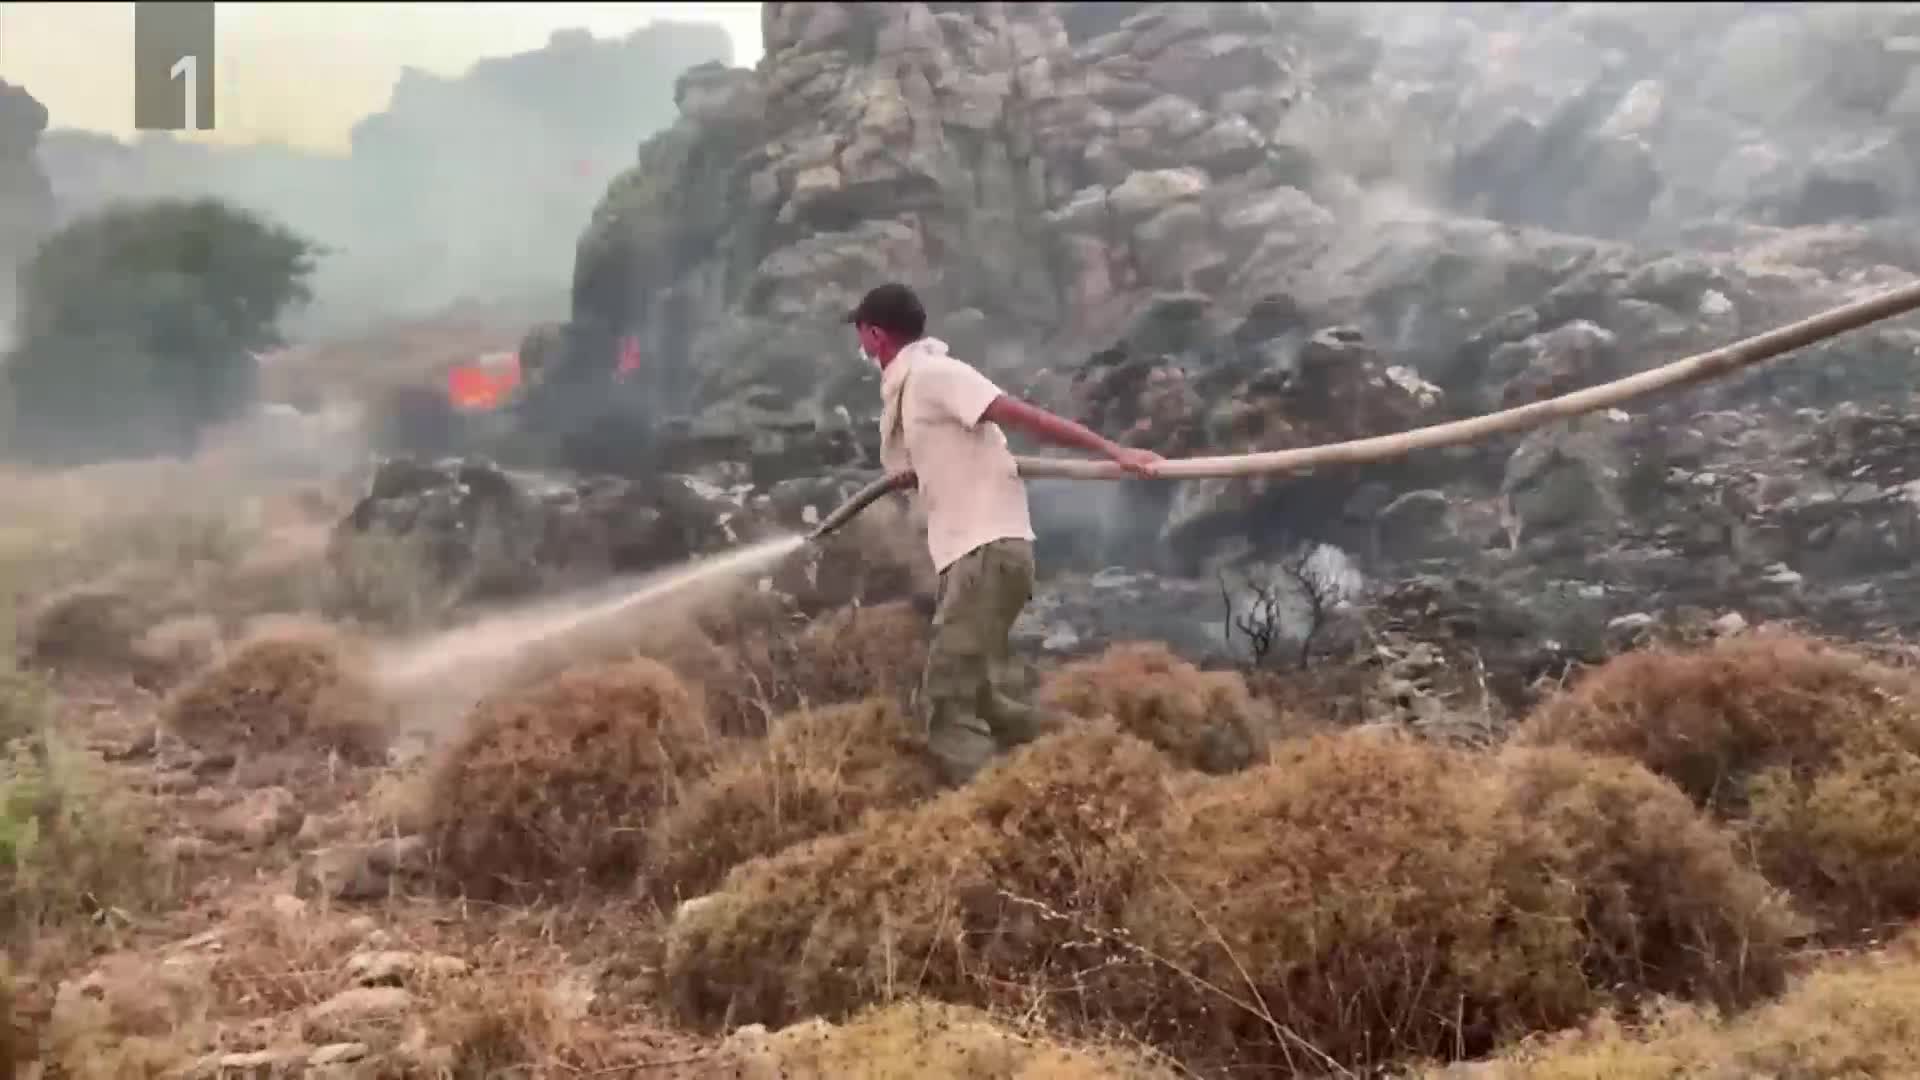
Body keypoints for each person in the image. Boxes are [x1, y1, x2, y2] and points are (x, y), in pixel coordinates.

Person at [845, 282, 1165, 786]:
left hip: (985, 553)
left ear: (875, 333)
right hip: (970, 559)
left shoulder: (934, 375)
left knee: (948, 702)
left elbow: (1023, 416)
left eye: (862, 335)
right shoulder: (913, 393)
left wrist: (1115, 451)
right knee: (986, 698)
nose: (861, 348)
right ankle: (1090, 761)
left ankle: (990, 813)